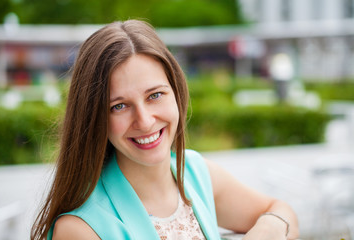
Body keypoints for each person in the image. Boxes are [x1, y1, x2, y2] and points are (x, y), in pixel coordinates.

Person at [31, 19, 299, 240]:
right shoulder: (80, 229)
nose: (145, 121)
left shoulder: (196, 174)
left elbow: (281, 210)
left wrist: (268, 228)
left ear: (176, 92)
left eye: (155, 95)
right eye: (119, 106)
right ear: (93, 118)